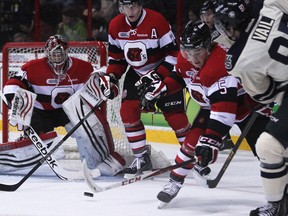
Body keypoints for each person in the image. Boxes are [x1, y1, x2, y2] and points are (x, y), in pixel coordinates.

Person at [140, 21, 270, 207]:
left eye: (197, 51)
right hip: (212, 107)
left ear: (209, 46)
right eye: (187, 51)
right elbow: (180, 76)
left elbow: (224, 115)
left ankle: (280, 194)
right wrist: (162, 88)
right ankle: (175, 182)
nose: (192, 58)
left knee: (267, 153)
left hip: (247, 108)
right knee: (190, 145)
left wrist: (210, 142)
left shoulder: (220, 65)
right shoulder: (185, 58)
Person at [2, 34, 125, 176]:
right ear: (47, 54)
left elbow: (98, 84)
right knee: (35, 142)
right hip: (41, 112)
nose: (57, 57)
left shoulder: (83, 67)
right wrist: (13, 99)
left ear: (66, 52)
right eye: (54, 54)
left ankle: (97, 162)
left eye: (60, 54)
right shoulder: (32, 67)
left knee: (90, 129)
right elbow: (14, 82)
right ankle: (25, 161)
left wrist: (107, 86)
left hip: (71, 111)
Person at [215, 0, 288, 215]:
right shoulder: (268, 3)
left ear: (231, 26)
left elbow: (264, 94)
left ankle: (276, 205)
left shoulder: (238, 58)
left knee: (268, 146)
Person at [101, 0, 190, 176]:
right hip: (136, 74)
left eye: (134, 5)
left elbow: (174, 55)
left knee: (176, 117)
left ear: (140, 5)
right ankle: (142, 158)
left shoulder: (157, 20)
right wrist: (112, 77)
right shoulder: (115, 25)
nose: (131, 10)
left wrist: (156, 76)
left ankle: (191, 155)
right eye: (127, 6)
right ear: (121, 7)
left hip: (164, 72)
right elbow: (117, 59)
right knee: (127, 113)